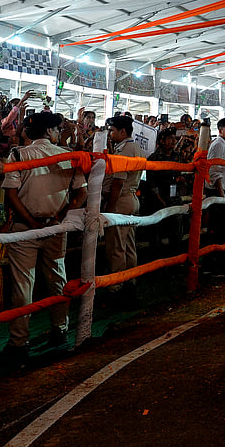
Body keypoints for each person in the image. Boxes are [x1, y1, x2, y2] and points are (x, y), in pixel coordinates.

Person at [0, 112, 87, 360]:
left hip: (25, 227)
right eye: (57, 129)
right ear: (49, 131)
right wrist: (60, 216)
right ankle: (60, 328)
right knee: (57, 278)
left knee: (22, 285)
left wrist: (31, 222)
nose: (59, 132)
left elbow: (11, 193)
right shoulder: (68, 156)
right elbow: (81, 193)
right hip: (55, 226)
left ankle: (19, 341)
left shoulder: (19, 154)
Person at [104, 115, 142, 307]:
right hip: (130, 198)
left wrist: (109, 209)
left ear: (123, 131)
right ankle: (130, 283)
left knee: (117, 247)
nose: (110, 134)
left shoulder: (125, 150)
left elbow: (118, 183)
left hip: (121, 200)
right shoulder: (133, 147)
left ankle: (116, 289)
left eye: (112, 130)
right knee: (128, 245)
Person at [203, 117, 225, 274]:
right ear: (220, 130)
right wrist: (221, 194)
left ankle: (218, 264)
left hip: (224, 191)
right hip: (219, 192)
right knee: (217, 230)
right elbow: (214, 170)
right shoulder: (218, 145)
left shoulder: (224, 145)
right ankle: (212, 266)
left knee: (221, 229)